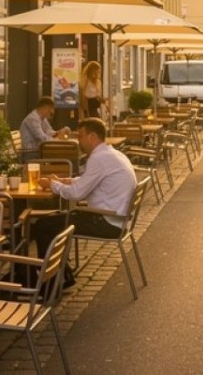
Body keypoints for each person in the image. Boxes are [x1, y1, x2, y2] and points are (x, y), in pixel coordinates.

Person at [31, 117, 137, 286]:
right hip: (116, 220)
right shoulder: (111, 153)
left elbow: (76, 194)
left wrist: (52, 184)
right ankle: (62, 275)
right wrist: (66, 180)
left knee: (43, 226)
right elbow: (90, 181)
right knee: (56, 220)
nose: (78, 140)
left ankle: (50, 283)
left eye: (80, 136)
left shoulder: (98, 158)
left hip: (105, 222)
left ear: (92, 137)